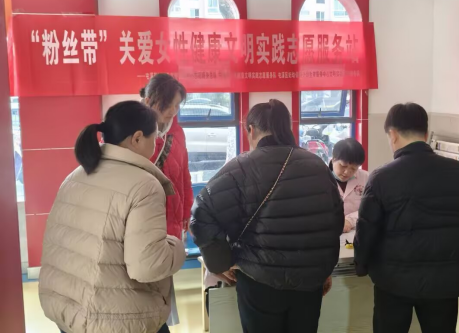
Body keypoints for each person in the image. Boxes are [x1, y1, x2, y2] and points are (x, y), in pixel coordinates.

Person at [191, 99, 344, 333]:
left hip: (259, 282)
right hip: (309, 282)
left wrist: (220, 263)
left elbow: (201, 212)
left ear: (251, 130)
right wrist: (325, 270)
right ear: (287, 128)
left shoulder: (241, 168)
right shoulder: (318, 166)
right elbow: (334, 222)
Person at [39, 101, 186, 333]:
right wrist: (176, 247)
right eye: (154, 137)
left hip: (68, 310)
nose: (156, 143)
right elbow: (147, 267)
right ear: (137, 138)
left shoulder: (76, 175)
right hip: (117, 319)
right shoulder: (144, 185)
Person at [354, 103, 459, 333]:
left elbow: (366, 231)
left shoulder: (381, 178)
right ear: (425, 134)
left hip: (394, 281)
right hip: (445, 282)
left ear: (393, 135)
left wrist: (361, 266)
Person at [140, 73, 193, 239]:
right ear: (148, 101)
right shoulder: (133, 132)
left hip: (173, 218)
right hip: (142, 220)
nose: (173, 111)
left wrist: (186, 211)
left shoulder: (178, 133)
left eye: (177, 105)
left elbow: (184, 173)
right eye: (167, 105)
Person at [330, 138, 369, 233]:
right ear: (333, 159)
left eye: (353, 169)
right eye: (343, 166)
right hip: (329, 232)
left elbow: (370, 207)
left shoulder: (366, 178)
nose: (347, 172)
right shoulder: (320, 178)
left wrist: (350, 220)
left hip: (357, 231)